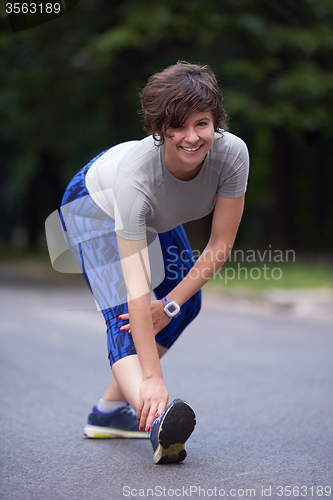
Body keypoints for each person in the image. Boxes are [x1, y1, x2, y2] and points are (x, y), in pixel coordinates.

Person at [59, 61, 249, 464]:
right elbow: (137, 290)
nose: (192, 137)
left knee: (186, 303)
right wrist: (153, 378)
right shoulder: (136, 178)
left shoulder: (232, 154)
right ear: (157, 129)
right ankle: (159, 419)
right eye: (176, 127)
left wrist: (172, 303)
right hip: (92, 205)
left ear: (217, 121)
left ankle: (108, 413)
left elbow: (220, 243)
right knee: (126, 318)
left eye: (202, 123)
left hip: (153, 214)